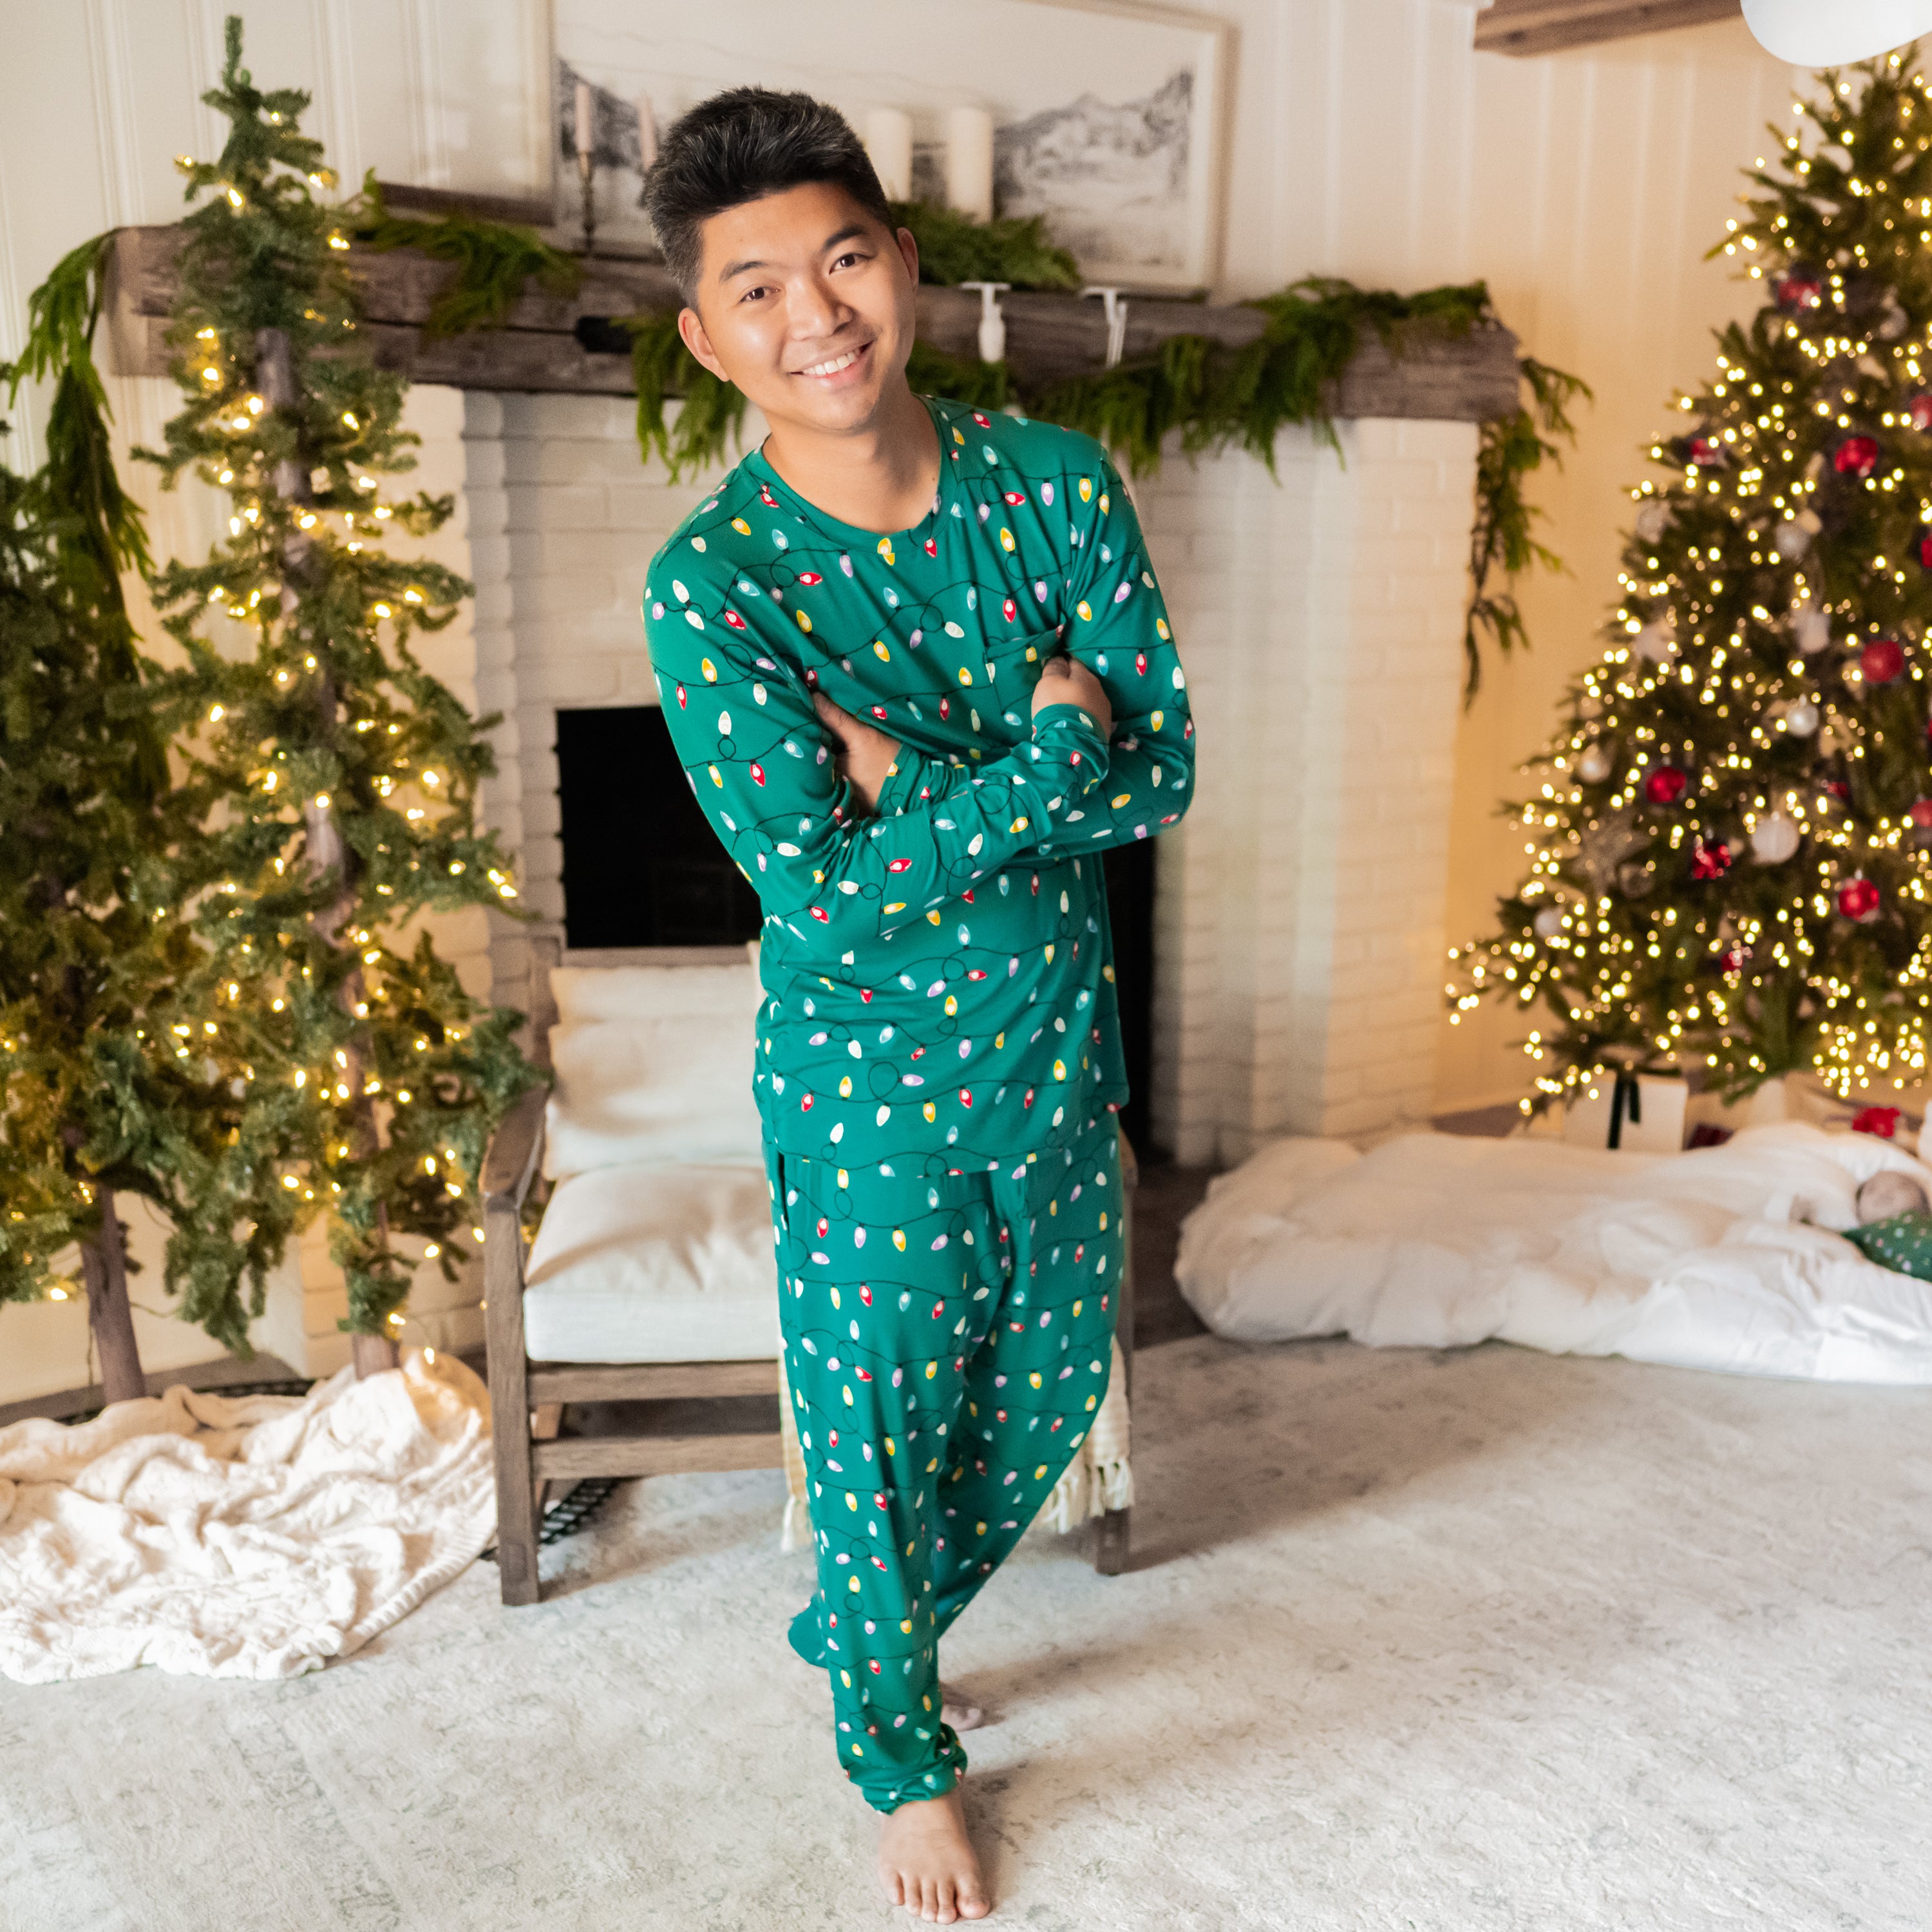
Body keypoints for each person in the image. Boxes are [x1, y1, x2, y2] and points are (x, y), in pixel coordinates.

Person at [639, 86, 1195, 1925]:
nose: (819, 318)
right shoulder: (713, 586)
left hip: (1057, 1042)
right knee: (874, 1425)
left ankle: (854, 1630)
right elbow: (821, 890)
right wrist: (1046, 746)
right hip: (866, 1079)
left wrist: (924, 783)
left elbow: (1165, 771)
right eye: (762, 289)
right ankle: (899, 1756)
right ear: (706, 333)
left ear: (903, 264)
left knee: (1036, 1406)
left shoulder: (1054, 490)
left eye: (846, 258)